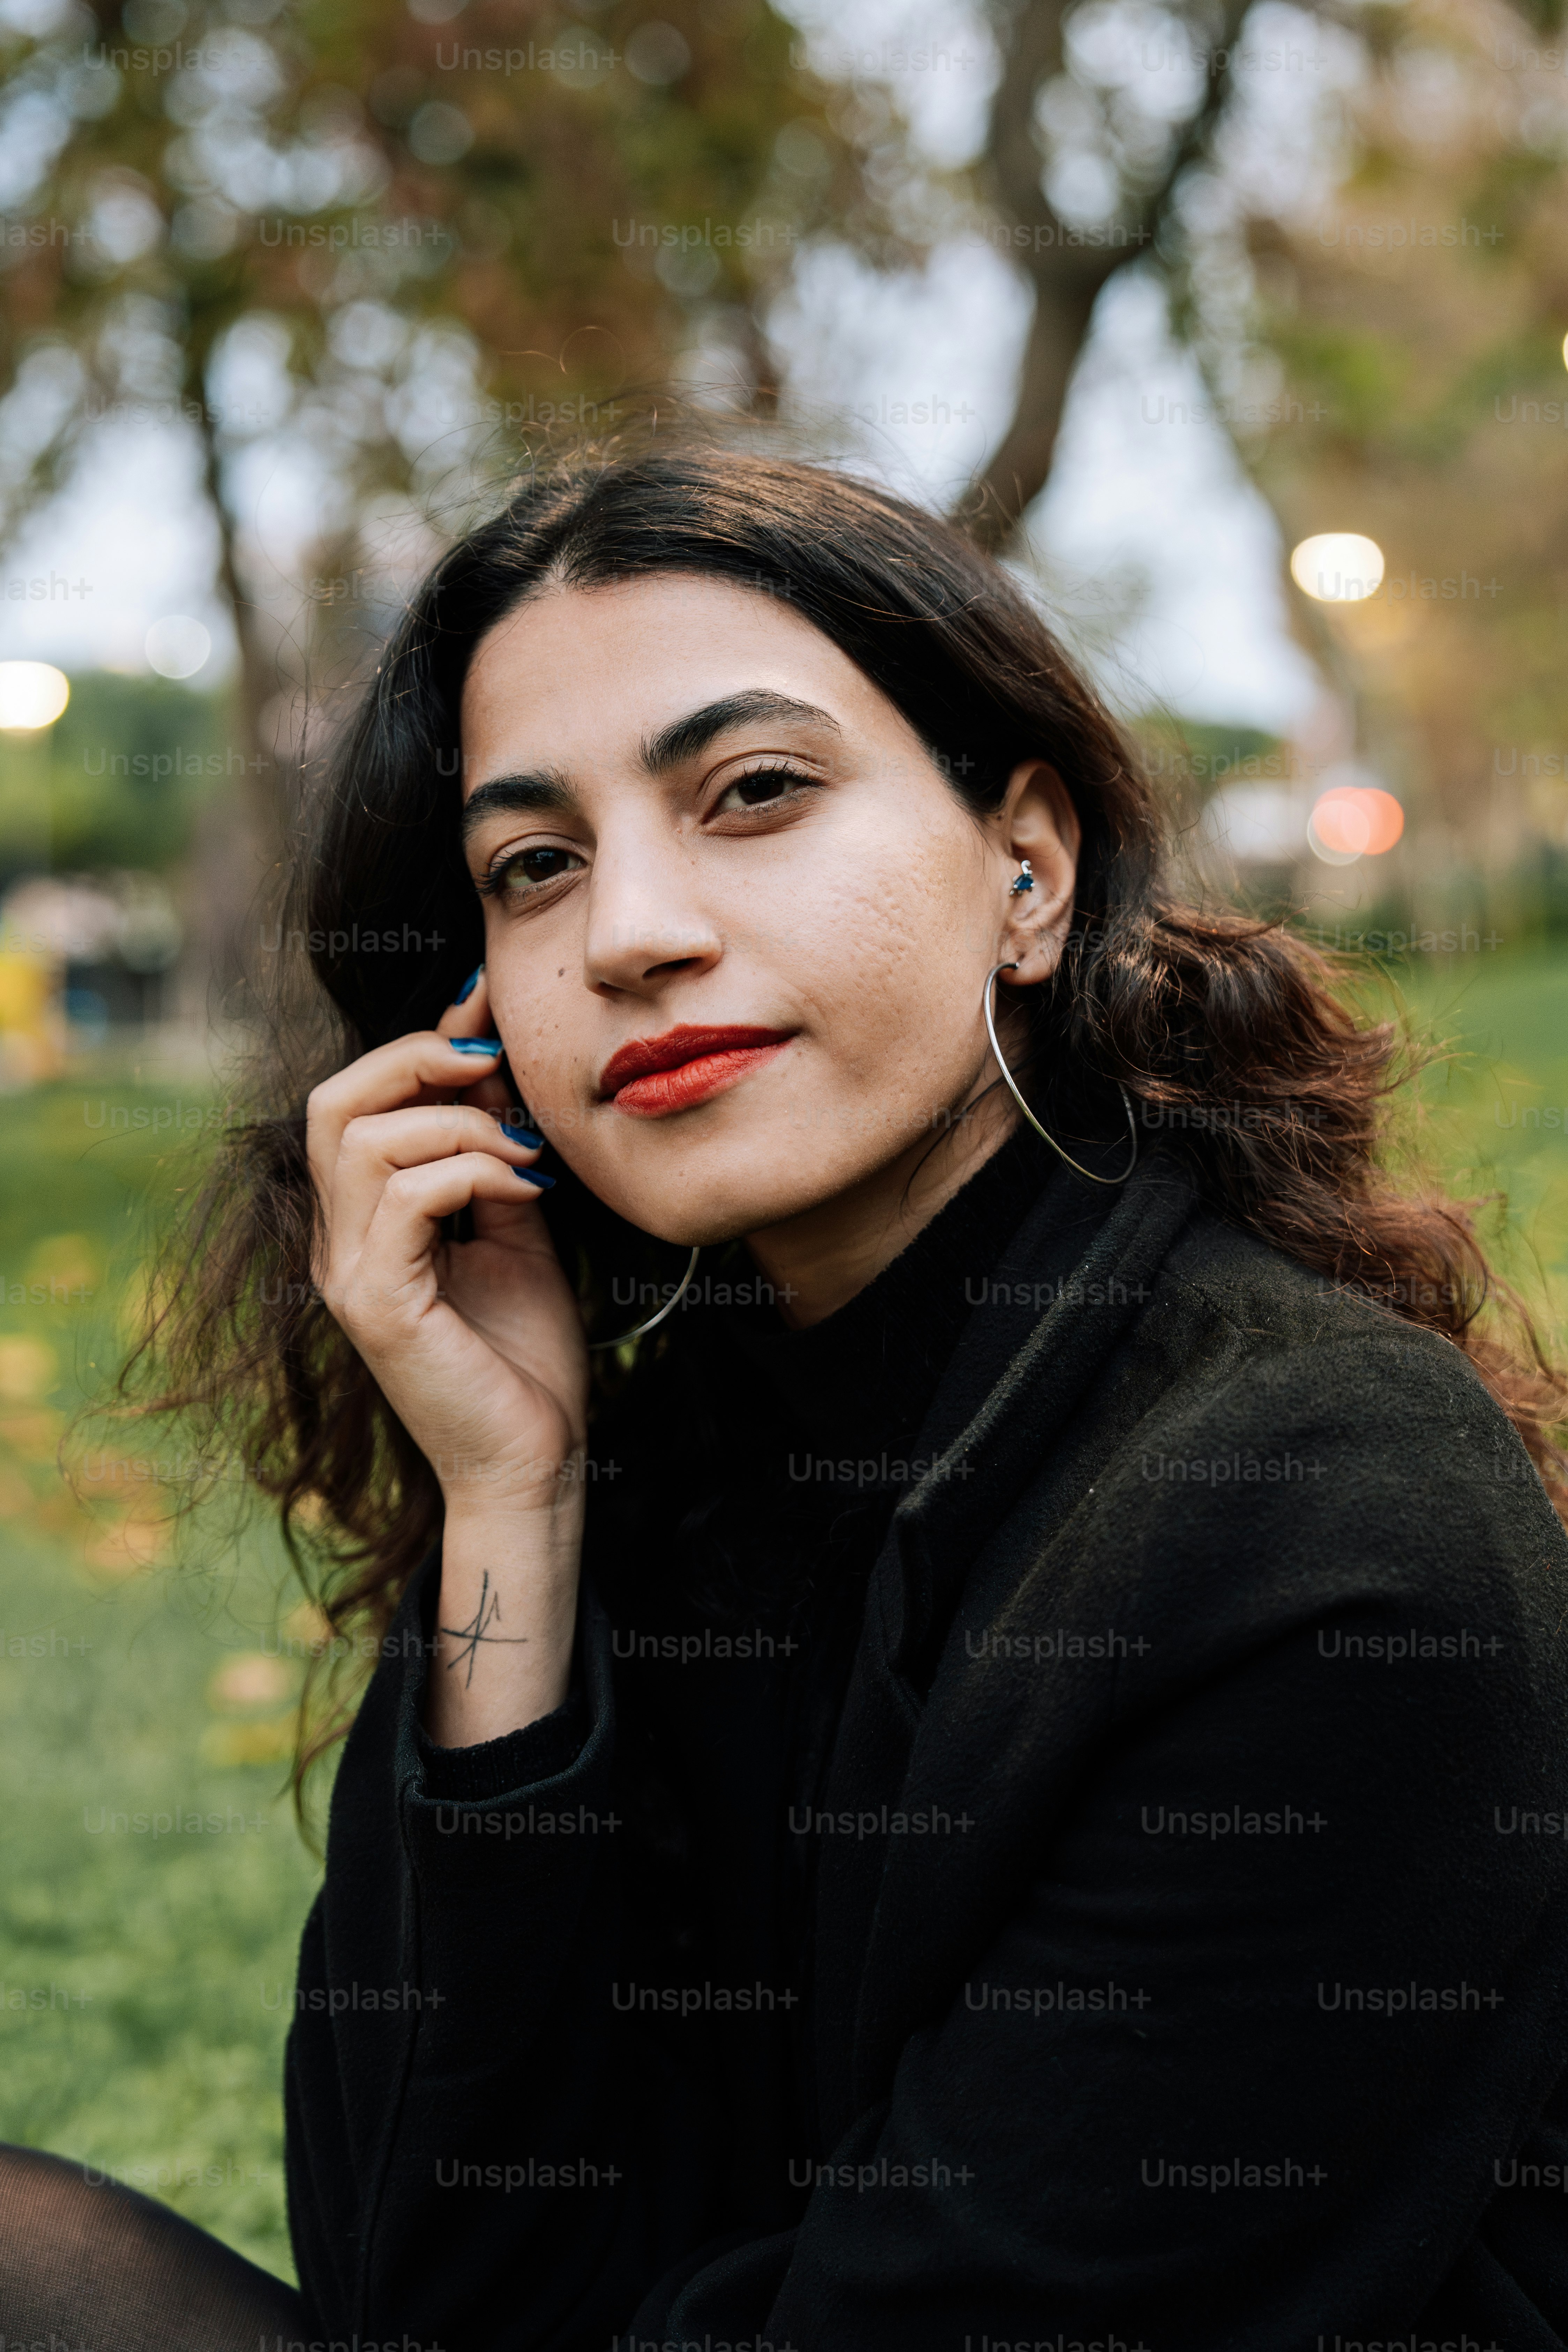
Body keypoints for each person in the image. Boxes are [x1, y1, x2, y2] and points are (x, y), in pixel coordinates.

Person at [7, 438, 1568, 2352]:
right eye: (534, 865)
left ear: (1028, 867)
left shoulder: (1317, 1512)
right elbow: (412, 2283)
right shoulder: (680, 1455)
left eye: (753, 793)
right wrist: (510, 1511)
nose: (631, 933)